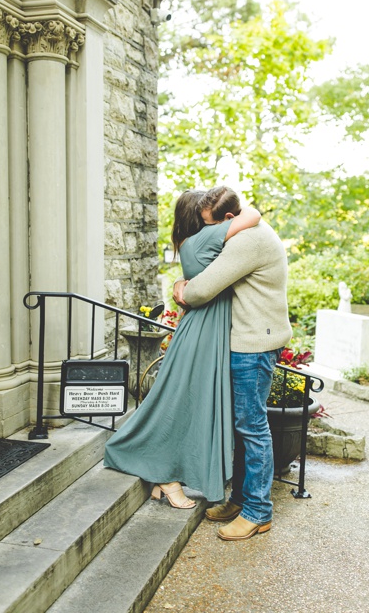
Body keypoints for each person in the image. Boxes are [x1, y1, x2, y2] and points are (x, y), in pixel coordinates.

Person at [105, 189, 260, 510]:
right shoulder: (206, 238)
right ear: (200, 219)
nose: (212, 220)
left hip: (202, 330)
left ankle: (168, 474)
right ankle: (165, 474)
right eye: (207, 217)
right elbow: (253, 215)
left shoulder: (192, 245)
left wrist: (180, 283)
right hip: (203, 333)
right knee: (182, 403)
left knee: (186, 402)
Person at [173, 186, 291, 542]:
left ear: (228, 219)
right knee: (244, 426)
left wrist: (181, 286)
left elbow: (200, 291)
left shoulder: (247, 242)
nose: (209, 234)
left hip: (253, 345)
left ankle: (258, 511)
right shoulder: (248, 228)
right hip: (250, 340)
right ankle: (240, 499)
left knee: (252, 427)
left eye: (210, 226)